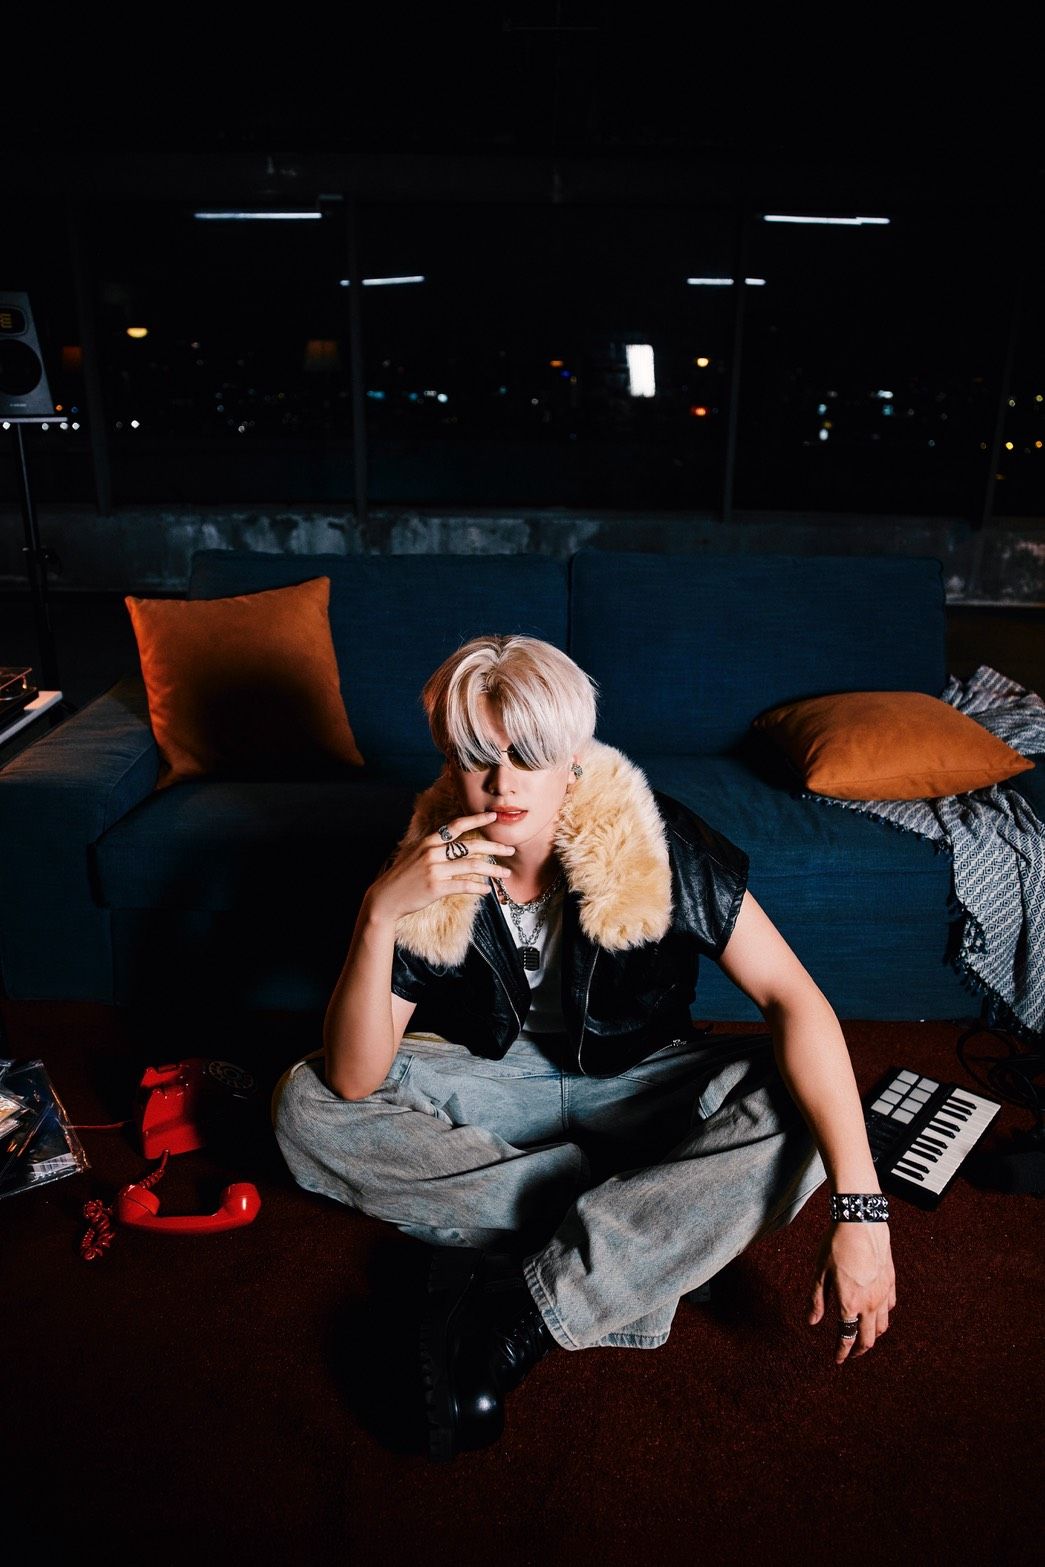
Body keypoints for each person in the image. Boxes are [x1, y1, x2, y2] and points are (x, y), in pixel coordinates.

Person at [273, 634, 896, 1461]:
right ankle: (656, 1232)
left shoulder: (652, 837)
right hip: (497, 1080)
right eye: (478, 756)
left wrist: (862, 1211)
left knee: (802, 1109)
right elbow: (355, 1080)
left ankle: (525, 1307)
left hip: (639, 1080)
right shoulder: (432, 861)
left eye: (528, 753)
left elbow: (794, 999)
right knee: (304, 1103)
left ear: (572, 755)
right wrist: (378, 913)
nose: (503, 783)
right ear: (449, 762)